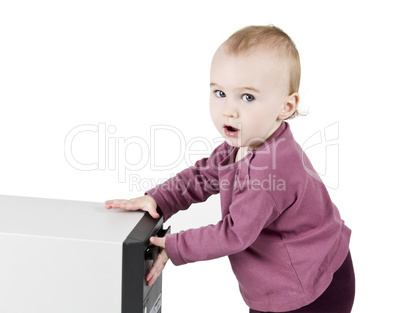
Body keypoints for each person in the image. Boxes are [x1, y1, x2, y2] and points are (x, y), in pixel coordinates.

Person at [105, 25, 355, 313]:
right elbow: (204, 175)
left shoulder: (271, 169)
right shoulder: (247, 141)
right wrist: (159, 199)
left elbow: (234, 233)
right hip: (281, 281)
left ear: (286, 106)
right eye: (220, 92)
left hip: (309, 288)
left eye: (247, 97)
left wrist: (173, 247)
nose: (229, 110)